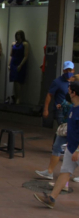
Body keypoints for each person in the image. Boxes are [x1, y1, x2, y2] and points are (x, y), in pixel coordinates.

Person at [34, 81, 79, 209]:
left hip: (76, 149)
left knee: (65, 172)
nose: (68, 92)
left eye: (69, 90)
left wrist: (78, 150)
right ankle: (51, 198)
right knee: (65, 173)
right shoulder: (73, 107)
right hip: (72, 148)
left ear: (73, 93)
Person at [43, 61, 74, 126]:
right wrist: (46, 109)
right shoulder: (57, 82)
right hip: (61, 110)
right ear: (63, 71)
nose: (68, 72)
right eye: (66, 70)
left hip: (73, 108)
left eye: (70, 70)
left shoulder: (75, 81)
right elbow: (49, 95)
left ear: (73, 70)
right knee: (63, 128)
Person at [8, 30, 29, 104]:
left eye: (19, 35)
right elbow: (11, 55)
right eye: (17, 35)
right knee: (14, 81)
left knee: (18, 81)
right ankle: (15, 96)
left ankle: (18, 98)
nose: (18, 36)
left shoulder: (25, 44)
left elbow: (26, 56)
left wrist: (20, 65)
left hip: (20, 62)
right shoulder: (13, 44)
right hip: (13, 62)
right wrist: (9, 64)